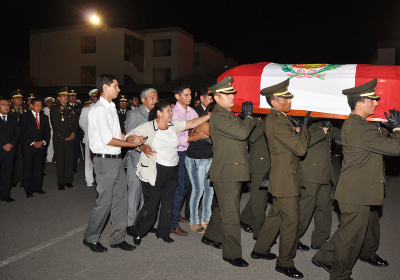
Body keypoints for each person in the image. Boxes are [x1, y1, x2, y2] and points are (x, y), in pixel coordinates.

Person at [312, 78, 400, 280]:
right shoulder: (361, 128)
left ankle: (324, 257)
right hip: (356, 192)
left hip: (357, 190)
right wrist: (397, 129)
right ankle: (340, 275)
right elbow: (395, 148)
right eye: (373, 100)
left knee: (348, 231)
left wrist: (387, 128)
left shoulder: (356, 125)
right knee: (351, 238)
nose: (377, 104)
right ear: (360, 104)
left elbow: (374, 144)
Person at [126, 99, 211, 245]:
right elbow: (130, 136)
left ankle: (163, 232)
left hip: (172, 169)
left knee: (168, 203)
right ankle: (138, 231)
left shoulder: (173, 126)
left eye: (171, 111)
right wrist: (140, 145)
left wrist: (209, 115)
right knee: (151, 205)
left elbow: (192, 123)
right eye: (168, 111)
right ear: (159, 113)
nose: (171, 113)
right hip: (155, 170)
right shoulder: (148, 127)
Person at [252, 79, 311, 279]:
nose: (289, 101)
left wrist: (296, 129)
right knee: (291, 222)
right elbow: (301, 149)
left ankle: (260, 249)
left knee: (276, 216)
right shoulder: (278, 120)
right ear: (274, 102)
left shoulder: (279, 118)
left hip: (282, 178)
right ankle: (285, 263)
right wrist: (304, 128)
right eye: (284, 99)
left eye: (288, 97)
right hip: (285, 181)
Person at [83, 74, 145, 253]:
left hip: (116, 160)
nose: (119, 89)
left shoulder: (111, 107)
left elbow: (118, 135)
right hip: (104, 161)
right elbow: (109, 140)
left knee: (120, 201)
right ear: (105, 87)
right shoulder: (99, 109)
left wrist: (133, 137)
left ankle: (117, 238)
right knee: (104, 202)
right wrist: (133, 144)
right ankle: (90, 237)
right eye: (116, 86)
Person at [201, 76, 255, 268]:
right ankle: (231, 254)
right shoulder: (220, 115)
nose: (232, 97)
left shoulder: (227, 114)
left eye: (233, 93)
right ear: (216, 97)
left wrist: (246, 119)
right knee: (231, 214)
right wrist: (248, 117)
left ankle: (210, 236)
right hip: (227, 173)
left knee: (223, 207)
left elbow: (240, 133)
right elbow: (242, 133)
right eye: (227, 94)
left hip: (231, 170)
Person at [297, 120, 341, 251]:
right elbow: (305, 142)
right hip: (310, 174)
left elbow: (344, 135)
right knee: (305, 209)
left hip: (325, 174)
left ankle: (319, 240)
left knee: (324, 208)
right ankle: (293, 238)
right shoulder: (309, 125)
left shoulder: (329, 123)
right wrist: (323, 130)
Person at [171, 84, 208, 236]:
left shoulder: (190, 110)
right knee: (180, 189)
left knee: (186, 187)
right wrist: (196, 136)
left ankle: (176, 216)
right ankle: (172, 224)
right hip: (179, 154)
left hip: (188, 153)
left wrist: (195, 132)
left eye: (190, 94)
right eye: (186, 95)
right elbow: (177, 139)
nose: (190, 97)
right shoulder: (175, 113)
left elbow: (197, 123)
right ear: (177, 96)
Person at [125, 88, 158, 236]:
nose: (155, 101)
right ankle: (130, 224)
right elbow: (130, 137)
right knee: (134, 192)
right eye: (152, 98)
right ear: (143, 99)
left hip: (152, 159)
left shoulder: (157, 114)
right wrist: (142, 147)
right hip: (136, 159)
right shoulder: (134, 114)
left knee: (148, 193)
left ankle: (145, 222)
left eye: (156, 98)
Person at [185, 102, 216, 233]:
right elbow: (217, 138)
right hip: (196, 160)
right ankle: (194, 222)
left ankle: (206, 219)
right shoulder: (205, 124)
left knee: (210, 191)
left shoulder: (213, 124)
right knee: (198, 191)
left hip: (208, 159)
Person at [239, 115, 271, 240]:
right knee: (260, 200)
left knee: (260, 197)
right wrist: (267, 121)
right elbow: (251, 138)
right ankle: (260, 233)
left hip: (270, 164)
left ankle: (245, 219)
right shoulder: (255, 121)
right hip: (259, 166)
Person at [20, 98, 50, 197]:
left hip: (41, 146)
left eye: (41, 105)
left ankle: (38, 187)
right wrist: (33, 143)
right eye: (37, 105)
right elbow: (23, 132)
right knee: (28, 168)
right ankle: (28, 190)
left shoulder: (44, 117)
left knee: (39, 167)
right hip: (29, 147)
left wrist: (44, 142)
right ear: (31, 106)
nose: (39, 107)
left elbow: (47, 132)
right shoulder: (24, 117)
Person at [50, 87, 78, 190]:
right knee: (61, 161)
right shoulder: (54, 108)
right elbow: (56, 124)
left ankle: (68, 180)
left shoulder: (71, 108)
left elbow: (75, 122)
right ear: (58, 98)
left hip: (70, 139)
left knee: (69, 160)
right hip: (60, 139)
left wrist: (73, 133)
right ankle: (61, 182)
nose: (66, 97)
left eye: (67, 96)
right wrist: (67, 135)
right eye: (64, 96)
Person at [0, 96, 21, 202]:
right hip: (1, 149)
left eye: (7, 104)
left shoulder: (13, 118)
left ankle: (5, 195)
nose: (6, 106)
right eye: (3, 104)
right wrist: (2, 145)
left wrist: (12, 144)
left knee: (7, 174)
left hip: (9, 151)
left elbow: (17, 134)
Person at [79, 89, 99, 187]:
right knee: (88, 159)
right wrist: (90, 132)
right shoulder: (86, 109)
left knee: (100, 159)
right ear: (91, 97)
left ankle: (99, 178)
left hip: (101, 139)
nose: (97, 98)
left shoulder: (103, 108)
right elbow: (82, 123)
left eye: (98, 96)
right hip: (90, 137)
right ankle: (89, 179)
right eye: (95, 96)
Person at [10, 90, 28, 188]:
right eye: (17, 98)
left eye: (20, 98)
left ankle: (21, 180)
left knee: (22, 159)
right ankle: (14, 178)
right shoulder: (8, 111)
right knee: (12, 159)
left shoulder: (26, 111)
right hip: (11, 139)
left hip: (23, 139)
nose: (19, 99)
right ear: (12, 100)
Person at [69, 89, 83, 173]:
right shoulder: (65, 106)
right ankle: (68, 167)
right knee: (68, 152)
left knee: (76, 152)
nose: (72, 98)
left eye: (74, 96)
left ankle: (74, 167)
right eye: (71, 96)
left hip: (77, 133)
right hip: (68, 133)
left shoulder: (80, 107)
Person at [43, 97, 55, 163]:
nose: (50, 104)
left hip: (54, 129)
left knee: (53, 144)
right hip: (47, 129)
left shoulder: (54, 110)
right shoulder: (43, 111)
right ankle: (47, 157)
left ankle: (51, 157)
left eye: (51, 103)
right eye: (49, 103)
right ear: (46, 103)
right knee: (47, 143)